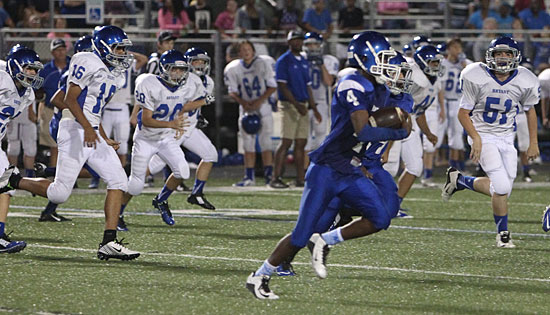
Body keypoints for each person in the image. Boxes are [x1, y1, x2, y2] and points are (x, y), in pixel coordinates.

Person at [245, 31, 411, 299]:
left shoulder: (377, 84)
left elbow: (400, 113)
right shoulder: (351, 81)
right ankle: (259, 275)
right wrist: (397, 132)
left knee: (381, 218)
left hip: (351, 167)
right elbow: (362, 131)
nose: (388, 65)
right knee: (300, 235)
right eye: (383, 58)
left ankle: (325, 239)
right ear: (364, 58)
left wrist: (399, 116)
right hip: (327, 168)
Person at [0, 25, 141, 260]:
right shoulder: (86, 60)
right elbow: (69, 99)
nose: (121, 53)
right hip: (75, 129)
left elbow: (95, 110)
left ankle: (109, 241)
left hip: (90, 129)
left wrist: (102, 135)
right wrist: (87, 128)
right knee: (59, 194)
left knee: (119, 181)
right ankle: (15, 180)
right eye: (117, 48)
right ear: (103, 47)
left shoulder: (114, 74)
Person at [442, 36, 540, 248]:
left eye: (507, 54)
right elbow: (462, 113)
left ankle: (460, 181)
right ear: (490, 55)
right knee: (501, 186)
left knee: (503, 190)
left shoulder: (525, 79)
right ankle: (503, 234)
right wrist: (475, 138)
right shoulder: (476, 75)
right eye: (498, 53)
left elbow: (530, 111)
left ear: (516, 57)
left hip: (506, 136)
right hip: (482, 134)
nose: (503, 58)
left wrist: (533, 141)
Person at [119, 49, 209, 229]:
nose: (178, 73)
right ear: (163, 69)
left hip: (166, 138)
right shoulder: (149, 83)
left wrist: (195, 115)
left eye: (181, 70)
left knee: (183, 172)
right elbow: (146, 120)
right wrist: (172, 124)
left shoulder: (188, 86)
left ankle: (161, 200)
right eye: (173, 69)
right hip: (145, 138)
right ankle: (117, 214)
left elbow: (199, 100)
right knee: (136, 186)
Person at [146, 47, 218, 211]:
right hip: (175, 127)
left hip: (189, 127)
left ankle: (196, 194)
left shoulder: (208, 81)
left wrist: (198, 116)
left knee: (210, 154)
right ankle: (126, 189)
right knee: (154, 166)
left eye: (202, 62)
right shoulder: (183, 81)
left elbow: (195, 105)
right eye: (195, 61)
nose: (199, 65)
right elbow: (181, 106)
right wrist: (203, 102)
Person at [35, 35, 95, 223]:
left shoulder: (90, 72)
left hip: (79, 125)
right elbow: (56, 100)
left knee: (83, 172)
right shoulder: (71, 74)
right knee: (91, 170)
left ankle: (48, 173)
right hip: (67, 125)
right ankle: (37, 177)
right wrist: (83, 119)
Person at [383, 45, 445, 218]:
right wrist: (387, 146)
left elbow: (419, 110)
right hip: (393, 122)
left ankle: (392, 206)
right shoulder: (414, 77)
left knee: (415, 167)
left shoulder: (432, 81)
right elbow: (397, 110)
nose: (435, 66)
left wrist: (428, 133)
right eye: (432, 62)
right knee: (389, 167)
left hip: (409, 123)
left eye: (437, 62)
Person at [0, 46, 43, 253]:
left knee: (6, 184)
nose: (33, 74)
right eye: (29, 69)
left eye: (35, 70)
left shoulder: (28, 96)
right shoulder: (1, 77)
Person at [270, 31, 320, 188]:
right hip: (289, 105)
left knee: (301, 143)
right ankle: (275, 178)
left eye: (299, 40)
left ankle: (300, 178)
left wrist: (313, 106)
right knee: (286, 141)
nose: (297, 43)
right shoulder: (284, 60)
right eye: (294, 40)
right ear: (289, 42)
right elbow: (282, 86)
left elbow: (308, 85)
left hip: (302, 105)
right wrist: (297, 105)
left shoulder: (304, 60)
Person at [225, 40, 277, 186]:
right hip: (245, 108)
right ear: (239, 53)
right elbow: (232, 92)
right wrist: (244, 103)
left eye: (248, 49)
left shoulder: (264, 63)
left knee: (266, 142)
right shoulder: (233, 68)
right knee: (248, 144)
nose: (246, 52)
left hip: (263, 106)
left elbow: (272, 87)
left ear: (253, 51)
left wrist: (258, 101)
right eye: (243, 49)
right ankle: (249, 177)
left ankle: (269, 177)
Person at [302, 32, 338, 160]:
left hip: (321, 101)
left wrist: (321, 64)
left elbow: (329, 82)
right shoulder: (300, 59)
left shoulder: (329, 60)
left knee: (321, 135)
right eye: (309, 44)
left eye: (315, 44)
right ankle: (305, 172)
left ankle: (317, 167)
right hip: (303, 102)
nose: (312, 47)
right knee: (303, 138)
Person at [38, 39, 70, 170]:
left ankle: (69, 174)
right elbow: (37, 91)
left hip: (70, 109)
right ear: (52, 52)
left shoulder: (73, 65)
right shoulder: (45, 70)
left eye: (62, 49)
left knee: (71, 144)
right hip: (51, 108)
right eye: (57, 49)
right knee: (54, 145)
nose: (61, 52)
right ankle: (54, 173)